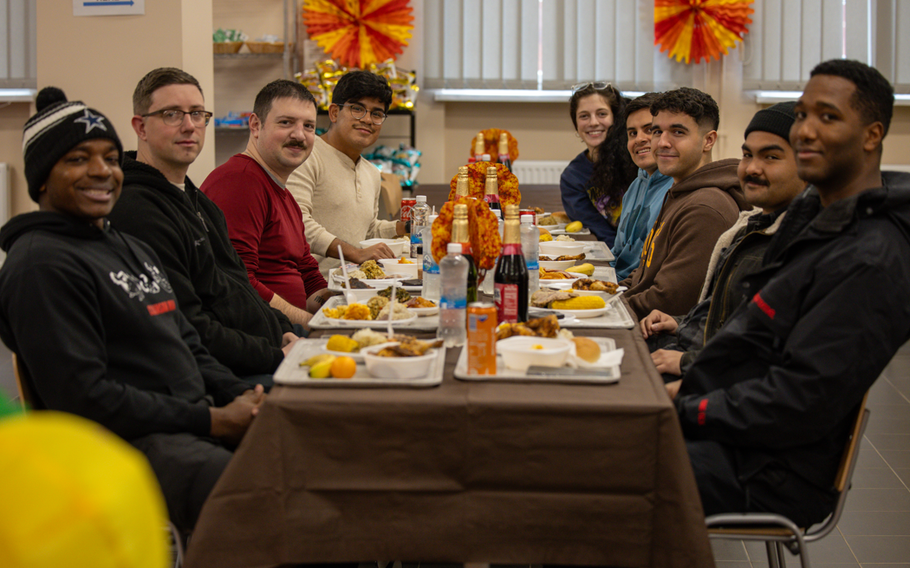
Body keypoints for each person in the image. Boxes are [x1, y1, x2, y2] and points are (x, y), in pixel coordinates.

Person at [0, 88, 263, 532]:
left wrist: (242, 396)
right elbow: (86, 397)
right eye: (78, 159)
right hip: (120, 444)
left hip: (186, 420)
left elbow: (188, 344)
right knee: (262, 498)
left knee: (305, 448)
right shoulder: (40, 265)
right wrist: (213, 420)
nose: (102, 171)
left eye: (109, 157)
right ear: (43, 178)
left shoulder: (129, 247)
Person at [674, 60, 910, 527]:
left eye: (828, 117)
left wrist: (688, 409)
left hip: (769, 471)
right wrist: (687, 387)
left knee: (593, 472)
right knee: (581, 444)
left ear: (871, 135)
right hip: (739, 437)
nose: (805, 131)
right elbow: (755, 345)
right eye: (802, 115)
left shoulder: (870, 257)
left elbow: (799, 402)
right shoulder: (814, 217)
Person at [108, 68, 298, 386]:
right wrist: (276, 355)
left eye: (197, 114)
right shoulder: (137, 211)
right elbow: (187, 325)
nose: (189, 125)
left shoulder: (197, 201)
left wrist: (284, 330)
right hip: (221, 375)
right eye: (172, 114)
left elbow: (241, 284)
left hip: (265, 347)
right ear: (140, 127)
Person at [641, 101, 806, 381]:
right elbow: (725, 317)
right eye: (747, 155)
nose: (752, 168)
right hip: (692, 352)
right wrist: (680, 325)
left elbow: (772, 357)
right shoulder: (751, 227)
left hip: (710, 378)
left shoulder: (800, 245)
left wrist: (687, 364)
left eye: (771, 157)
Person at [201, 80, 333, 329]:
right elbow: (238, 281)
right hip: (268, 335)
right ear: (255, 125)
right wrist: (311, 323)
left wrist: (341, 307)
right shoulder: (239, 181)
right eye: (286, 123)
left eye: (308, 126)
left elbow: (307, 273)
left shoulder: (282, 191)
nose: (299, 135)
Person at [619, 87, 749, 320]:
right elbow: (642, 275)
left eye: (678, 132)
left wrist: (609, 308)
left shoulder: (704, 208)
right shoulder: (680, 192)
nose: (662, 143)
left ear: (708, 141)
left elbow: (669, 300)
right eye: (657, 131)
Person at [287, 70, 407, 275]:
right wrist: (355, 253)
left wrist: (404, 228)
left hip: (356, 284)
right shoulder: (306, 155)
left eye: (376, 113)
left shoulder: (371, 172)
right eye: (357, 109)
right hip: (312, 287)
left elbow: (366, 230)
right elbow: (297, 223)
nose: (368, 119)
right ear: (334, 112)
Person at [559, 82, 637, 246]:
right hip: (617, 256)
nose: (593, 122)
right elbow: (603, 235)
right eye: (584, 116)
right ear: (576, 124)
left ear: (616, 118)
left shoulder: (638, 160)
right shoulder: (572, 177)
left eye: (602, 114)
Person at [610, 93, 673, 280]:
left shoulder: (676, 190)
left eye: (650, 130)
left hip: (635, 293)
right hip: (617, 282)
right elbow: (618, 253)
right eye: (632, 133)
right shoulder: (635, 186)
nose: (639, 139)